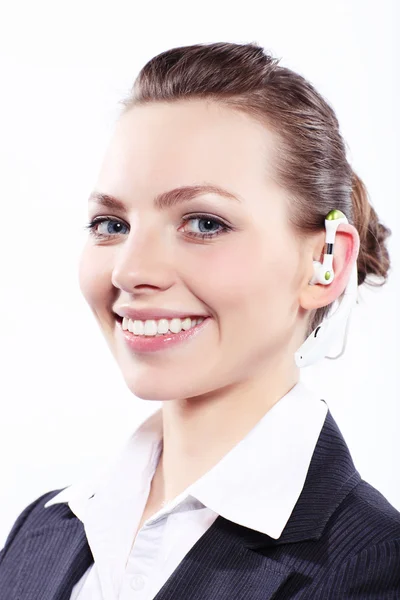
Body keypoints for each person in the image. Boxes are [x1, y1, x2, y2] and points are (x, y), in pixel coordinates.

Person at [0, 41, 399, 599]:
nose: (130, 270)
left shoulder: (374, 568)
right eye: (111, 224)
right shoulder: (38, 531)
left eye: (204, 223)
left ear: (325, 263)